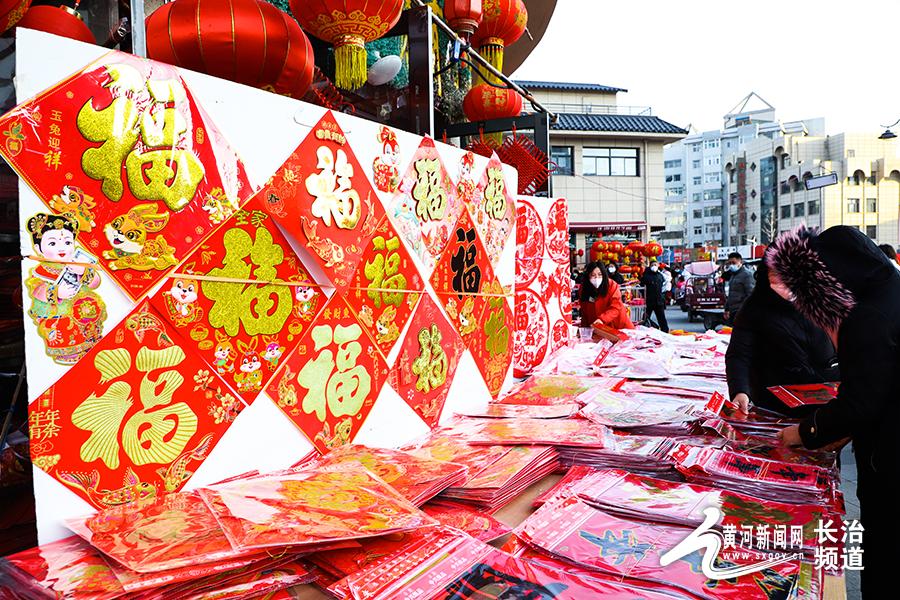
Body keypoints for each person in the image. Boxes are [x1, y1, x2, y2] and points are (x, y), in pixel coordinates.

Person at [767, 225, 899, 597]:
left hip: (889, 460)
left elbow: (861, 403)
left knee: (886, 555)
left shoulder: (868, 316)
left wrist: (805, 432)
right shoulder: (891, 290)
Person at [725, 261, 839, 416]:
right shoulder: (754, 307)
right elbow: (739, 354)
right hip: (776, 401)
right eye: (776, 274)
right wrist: (740, 390)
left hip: (828, 396)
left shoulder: (823, 300)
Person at [578, 261, 634, 329]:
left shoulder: (612, 285)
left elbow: (615, 307)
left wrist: (602, 319)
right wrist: (584, 329)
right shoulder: (584, 288)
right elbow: (584, 311)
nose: (596, 278)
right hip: (598, 327)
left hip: (618, 325)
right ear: (588, 275)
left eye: (600, 274)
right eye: (593, 275)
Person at [723, 252, 754, 324]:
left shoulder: (747, 275)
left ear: (741, 262)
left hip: (742, 311)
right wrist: (726, 309)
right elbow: (730, 294)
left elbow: (750, 295)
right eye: (730, 263)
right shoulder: (732, 275)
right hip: (733, 311)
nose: (731, 265)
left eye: (733, 263)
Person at [640, 260, 669, 332]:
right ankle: (643, 330)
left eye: (655, 265)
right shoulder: (646, 276)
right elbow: (641, 287)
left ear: (658, 266)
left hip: (659, 301)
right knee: (645, 318)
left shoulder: (660, 275)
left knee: (662, 318)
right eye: (652, 265)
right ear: (650, 266)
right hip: (649, 301)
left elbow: (664, 286)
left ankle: (665, 331)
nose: (654, 266)